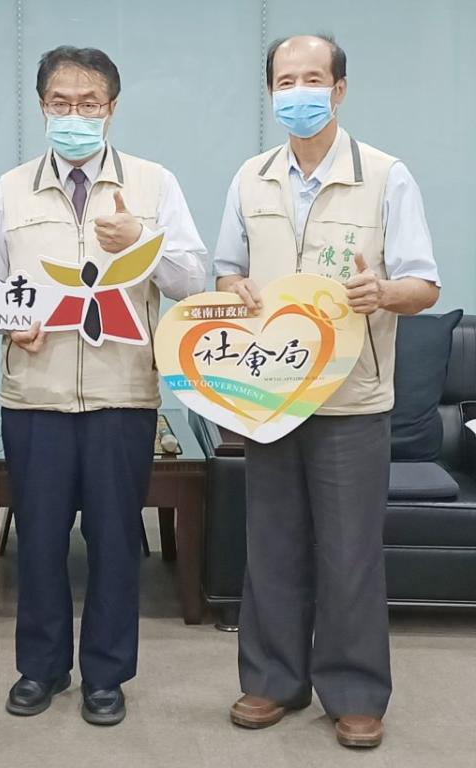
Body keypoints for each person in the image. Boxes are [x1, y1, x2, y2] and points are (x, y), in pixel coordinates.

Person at [214, 34, 440, 749]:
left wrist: (384, 291)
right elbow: (226, 272)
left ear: (339, 91)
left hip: (352, 398)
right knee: (272, 546)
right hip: (271, 395)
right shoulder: (251, 178)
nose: (299, 92)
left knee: (349, 552)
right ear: (272, 92)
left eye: (313, 79)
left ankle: (354, 692)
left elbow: (424, 283)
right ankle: (272, 681)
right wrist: (236, 289)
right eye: (286, 80)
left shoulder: (385, 175)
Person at [0, 45, 206, 726]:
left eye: (90, 103)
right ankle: (40, 669)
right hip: (35, 396)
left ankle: (107, 675)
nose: (75, 115)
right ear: (42, 106)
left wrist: (145, 236)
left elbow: (194, 281)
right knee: (41, 540)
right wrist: (7, 324)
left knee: (113, 541)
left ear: (111, 109)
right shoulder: (9, 188)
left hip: (122, 396)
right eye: (62, 103)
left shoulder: (154, 184)